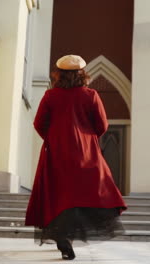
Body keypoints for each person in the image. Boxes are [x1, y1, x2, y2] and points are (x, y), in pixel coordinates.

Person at [24, 55, 128, 260]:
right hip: (86, 153)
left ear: (59, 74)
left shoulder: (50, 96)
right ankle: (67, 237)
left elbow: (38, 123)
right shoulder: (91, 95)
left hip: (57, 153)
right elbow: (102, 125)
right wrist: (87, 139)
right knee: (85, 193)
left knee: (59, 195)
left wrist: (54, 138)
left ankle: (63, 238)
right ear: (82, 73)